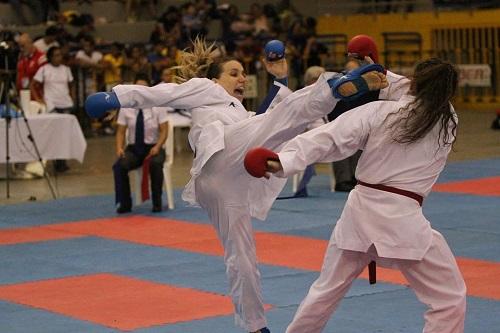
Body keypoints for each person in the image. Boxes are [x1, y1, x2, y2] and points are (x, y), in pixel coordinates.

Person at [85, 38, 389, 333]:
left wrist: (280, 79)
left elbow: (267, 120)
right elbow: (166, 93)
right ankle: (335, 86)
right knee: (285, 118)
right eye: (233, 73)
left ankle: (255, 326)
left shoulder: (240, 112)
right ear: (215, 79)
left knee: (242, 257)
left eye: (244, 73)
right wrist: (118, 97)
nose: (242, 78)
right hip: (219, 157)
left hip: (228, 183)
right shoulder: (205, 89)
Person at [257, 58, 466, 333]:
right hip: (403, 222)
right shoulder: (448, 122)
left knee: (325, 291)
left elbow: (330, 137)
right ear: (448, 93)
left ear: (415, 81)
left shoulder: (379, 112)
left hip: (359, 215)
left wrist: (283, 160)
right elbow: (414, 93)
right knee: (449, 298)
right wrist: (384, 74)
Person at [329, 34, 410, 192]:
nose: (356, 65)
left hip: (379, 132)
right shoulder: (343, 80)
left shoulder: (393, 81)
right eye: (352, 60)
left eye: (358, 60)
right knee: (341, 142)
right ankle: (344, 180)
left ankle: (355, 178)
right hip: (350, 123)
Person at [113, 73, 169, 214]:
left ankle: (157, 202)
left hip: (154, 147)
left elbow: (164, 130)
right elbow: (120, 131)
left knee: (155, 164)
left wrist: (157, 146)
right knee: (119, 166)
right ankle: (125, 203)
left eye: (144, 87)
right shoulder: (126, 107)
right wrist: (119, 148)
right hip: (134, 149)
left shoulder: (158, 106)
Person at [31, 46, 75, 172]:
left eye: (60, 55)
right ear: (50, 57)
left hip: (65, 103)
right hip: (52, 104)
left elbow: (71, 84)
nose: (58, 58)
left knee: (64, 134)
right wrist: (38, 99)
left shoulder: (66, 69)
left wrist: (72, 97)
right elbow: (33, 85)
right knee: (54, 134)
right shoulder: (44, 69)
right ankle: (56, 161)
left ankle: (63, 161)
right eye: (55, 55)